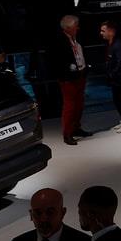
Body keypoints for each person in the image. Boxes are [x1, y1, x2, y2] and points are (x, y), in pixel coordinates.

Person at [49, 15, 90, 146]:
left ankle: (76, 128)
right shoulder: (59, 41)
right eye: (75, 26)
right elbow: (56, 61)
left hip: (80, 74)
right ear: (67, 28)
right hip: (68, 79)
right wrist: (68, 71)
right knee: (70, 106)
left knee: (79, 104)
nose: (77, 28)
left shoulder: (77, 37)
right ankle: (67, 134)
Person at [100, 21, 121, 133]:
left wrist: (112, 74)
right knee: (117, 100)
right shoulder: (110, 44)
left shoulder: (118, 45)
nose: (101, 33)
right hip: (115, 80)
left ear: (111, 31)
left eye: (103, 31)